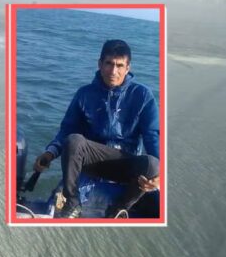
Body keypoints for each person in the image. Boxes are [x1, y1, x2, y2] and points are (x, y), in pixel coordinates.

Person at [33, 39, 160, 218]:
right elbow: (67, 129)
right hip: (93, 161)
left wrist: (160, 174)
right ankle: (72, 201)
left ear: (128, 68)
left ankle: (119, 209)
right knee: (74, 140)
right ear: (100, 63)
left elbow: (153, 136)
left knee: (154, 165)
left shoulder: (143, 95)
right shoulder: (84, 94)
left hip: (126, 163)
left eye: (119, 65)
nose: (113, 71)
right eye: (108, 63)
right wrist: (51, 153)